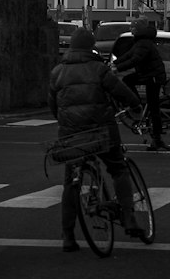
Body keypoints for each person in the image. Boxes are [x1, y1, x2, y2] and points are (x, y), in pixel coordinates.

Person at [48, 27, 143, 253]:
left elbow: (54, 107)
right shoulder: (98, 69)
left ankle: (68, 236)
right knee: (118, 169)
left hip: (72, 137)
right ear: (91, 47)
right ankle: (129, 217)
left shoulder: (57, 72)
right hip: (101, 132)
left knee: (71, 182)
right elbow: (121, 92)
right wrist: (135, 105)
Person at [114, 17, 168, 150]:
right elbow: (129, 55)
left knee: (153, 106)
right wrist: (114, 63)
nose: (131, 29)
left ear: (138, 30)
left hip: (153, 76)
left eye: (133, 27)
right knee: (128, 80)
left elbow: (135, 59)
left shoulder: (143, 42)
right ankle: (137, 104)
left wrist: (118, 68)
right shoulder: (140, 41)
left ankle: (157, 138)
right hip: (147, 74)